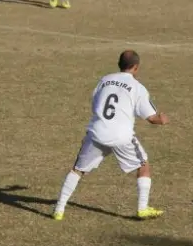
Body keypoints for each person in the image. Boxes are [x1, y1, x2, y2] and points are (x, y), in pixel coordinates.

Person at [53, 50, 169, 221]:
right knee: (143, 166)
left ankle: (59, 209)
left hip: (97, 132)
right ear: (136, 67)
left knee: (77, 170)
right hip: (121, 136)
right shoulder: (138, 88)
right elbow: (152, 118)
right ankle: (142, 208)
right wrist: (162, 119)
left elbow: (95, 104)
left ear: (119, 64)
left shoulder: (104, 80)